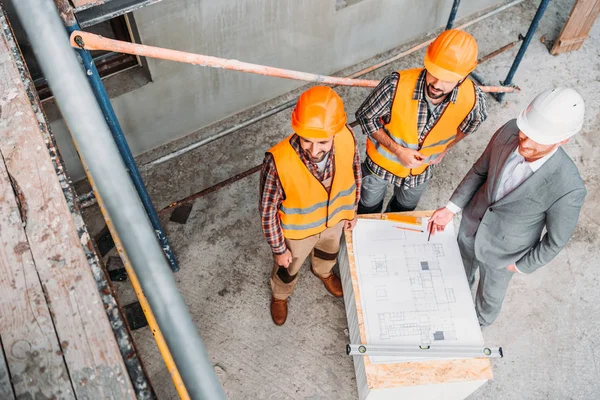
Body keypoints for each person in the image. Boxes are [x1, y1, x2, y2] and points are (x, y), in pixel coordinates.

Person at [428, 88, 587, 327]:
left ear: (562, 140)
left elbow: (555, 240)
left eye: (538, 140)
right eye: (525, 133)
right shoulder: (510, 129)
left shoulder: (568, 187)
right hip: (471, 227)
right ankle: (455, 300)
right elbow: (480, 170)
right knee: (460, 270)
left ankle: (479, 324)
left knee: (489, 297)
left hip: (505, 254)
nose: (525, 142)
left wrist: (521, 265)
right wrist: (452, 208)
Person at [355, 29, 488, 214]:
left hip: (420, 173)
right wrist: (398, 150)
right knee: (367, 209)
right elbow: (365, 117)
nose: (436, 84)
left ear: (464, 76)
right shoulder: (396, 85)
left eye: (447, 80)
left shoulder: (473, 100)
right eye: (433, 72)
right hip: (380, 167)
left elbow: (473, 122)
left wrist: (447, 147)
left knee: (402, 212)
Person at [259, 86, 361, 326]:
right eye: (307, 140)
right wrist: (279, 249)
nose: (314, 150)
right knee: (288, 268)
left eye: (323, 142)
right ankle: (280, 295)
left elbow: (355, 173)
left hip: (334, 221)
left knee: (329, 252)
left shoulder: (346, 137)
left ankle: (323, 272)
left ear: (335, 132)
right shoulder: (278, 160)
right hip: (298, 234)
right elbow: (267, 211)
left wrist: (352, 209)